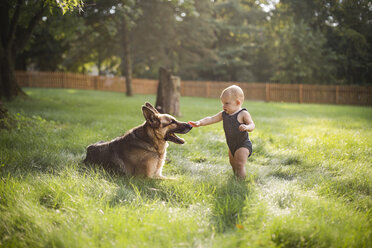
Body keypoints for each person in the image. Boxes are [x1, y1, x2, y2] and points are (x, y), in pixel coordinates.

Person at [189, 85, 255, 179]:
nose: (223, 106)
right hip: (231, 145)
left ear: (237, 102)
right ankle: (235, 178)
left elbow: (252, 125)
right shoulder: (224, 114)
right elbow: (211, 118)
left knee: (239, 164)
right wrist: (199, 122)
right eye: (222, 103)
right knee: (233, 165)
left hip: (243, 144)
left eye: (227, 103)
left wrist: (247, 127)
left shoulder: (243, 114)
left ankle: (241, 183)